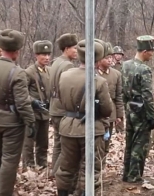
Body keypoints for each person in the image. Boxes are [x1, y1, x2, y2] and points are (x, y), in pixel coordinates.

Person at [55, 39, 113, 196]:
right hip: (92, 129)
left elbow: (60, 99)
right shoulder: (99, 81)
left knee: (66, 167)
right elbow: (107, 110)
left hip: (67, 126)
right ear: (98, 58)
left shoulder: (64, 75)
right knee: (90, 168)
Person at [0, 29, 36, 195]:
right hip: (12, 124)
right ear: (16, 51)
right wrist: (30, 122)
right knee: (9, 161)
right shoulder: (17, 72)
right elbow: (22, 103)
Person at [122, 35, 154, 183]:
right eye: (151, 51)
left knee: (129, 142)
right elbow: (147, 96)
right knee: (140, 144)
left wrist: (126, 108)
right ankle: (135, 176)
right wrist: (151, 117)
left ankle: (126, 173)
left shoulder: (125, 65)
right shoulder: (144, 70)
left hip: (130, 108)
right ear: (144, 51)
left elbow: (122, 90)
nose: (152, 54)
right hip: (141, 111)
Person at [49, 33, 78, 176]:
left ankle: (53, 173)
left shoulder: (56, 62)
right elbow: (66, 89)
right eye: (74, 48)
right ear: (66, 48)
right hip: (62, 109)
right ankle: (57, 173)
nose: (77, 51)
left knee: (58, 144)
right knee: (65, 145)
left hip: (54, 107)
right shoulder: (67, 65)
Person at [22, 40, 52, 169]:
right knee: (29, 143)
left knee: (43, 142)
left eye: (48, 54)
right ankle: (28, 166)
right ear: (36, 55)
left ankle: (42, 164)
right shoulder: (28, 72)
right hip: (32, 112)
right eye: (42, 55)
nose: (46, 57)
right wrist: (32, 101)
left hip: (45, 112)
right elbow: (22, 93)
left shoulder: (49, 71)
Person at [95, 41, 124, 166]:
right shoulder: (92, 73)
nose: (110, 60)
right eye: (106, 58)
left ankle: (102, 164)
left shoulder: (116, 74)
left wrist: (119, 115)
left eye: (111, 57)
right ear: (99, 59)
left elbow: (119, 96)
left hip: (110, 113)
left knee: (107, 140)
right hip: (96, 114)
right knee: (97, 141)